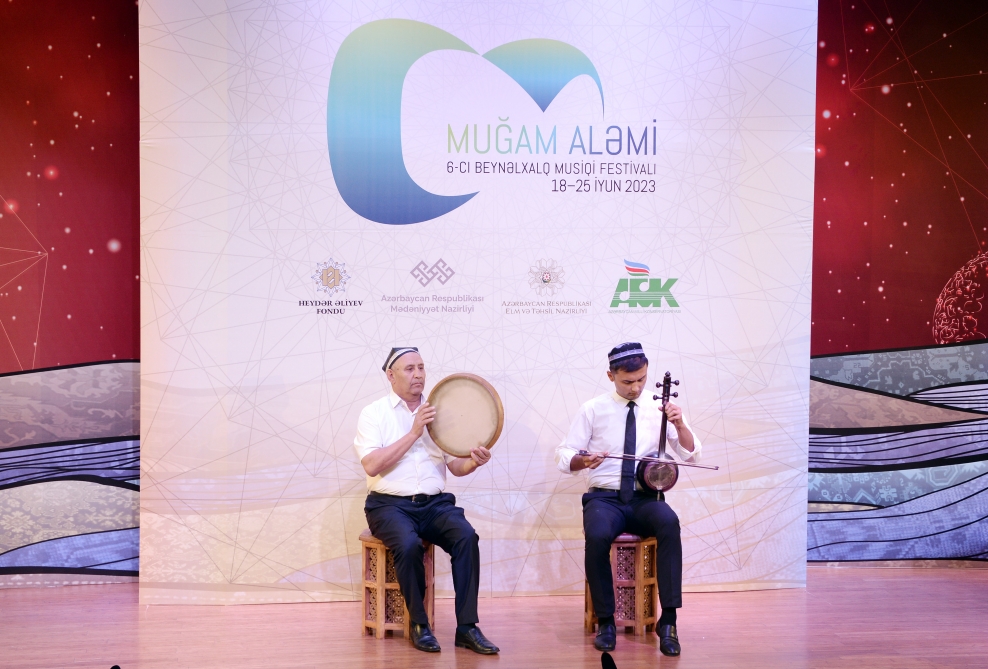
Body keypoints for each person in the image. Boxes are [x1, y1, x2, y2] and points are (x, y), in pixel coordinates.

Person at [555, 342, 701, 656]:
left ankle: (669, 621)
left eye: (641, 379)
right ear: (611, 376)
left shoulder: (661, 408)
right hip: (604, 499)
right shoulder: (593, 409)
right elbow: (565, 455)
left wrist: (679, 424)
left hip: (645, 498)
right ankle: (606, 621)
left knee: (669, 523)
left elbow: (691, 453)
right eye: (627, 381)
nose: (635, 387)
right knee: (597, 535)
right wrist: (584, 460)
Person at [353, 347, 499, 654]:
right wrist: (414, 432)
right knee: (408, 545)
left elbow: (455, 467)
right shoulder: (374, 413)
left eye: (421, 367)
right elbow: (372, 465)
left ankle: (467, 627)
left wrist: (474, 462)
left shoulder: (439, 411)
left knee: (466, 537)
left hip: (434, 504)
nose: (418, 374)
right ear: (390, 375)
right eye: (409, 369)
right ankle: (419, 625)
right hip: (388, 505)